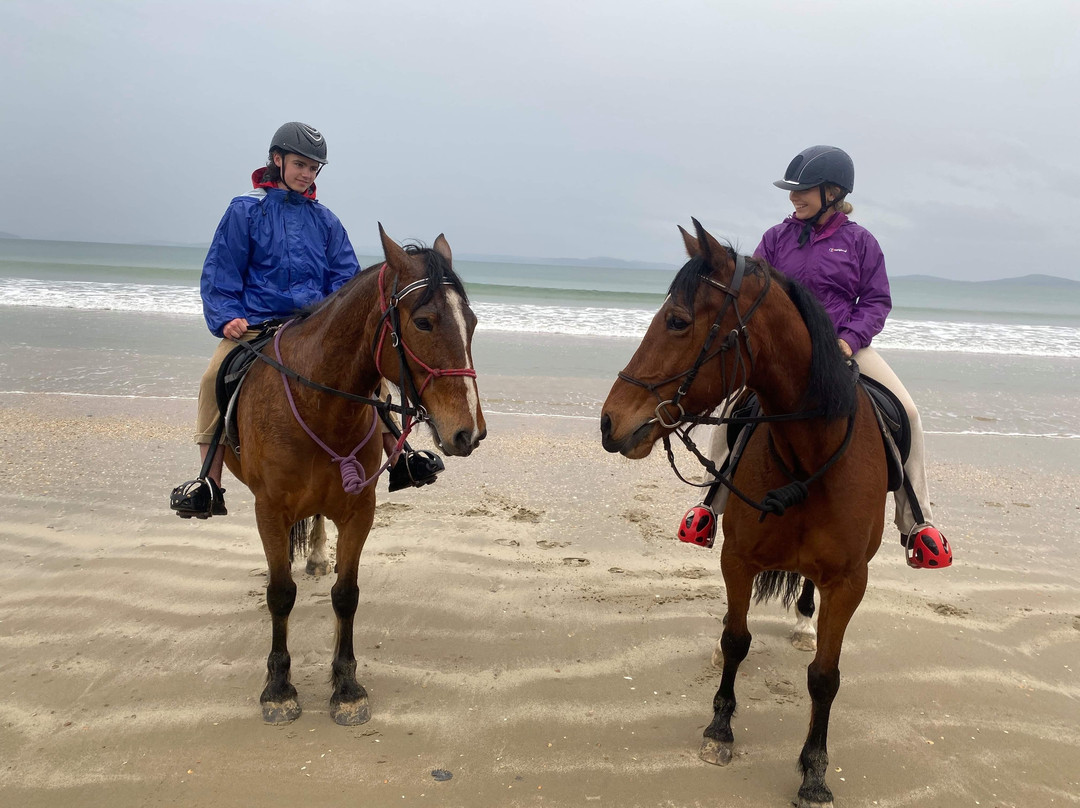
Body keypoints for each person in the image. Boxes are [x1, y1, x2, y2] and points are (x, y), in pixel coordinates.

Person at [679, 145, 952, 569]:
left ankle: (918, 523)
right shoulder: (776, 238)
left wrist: (848, 339)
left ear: (833, 191)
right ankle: (708, 506)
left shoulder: (860, 242)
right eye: (792, 191)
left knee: (910, 414)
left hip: (845, 346)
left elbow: (876, 301)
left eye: (803, 190)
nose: (794, 197)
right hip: (784, 355)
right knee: (734, 409)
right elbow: (754, 296)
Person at [170, 122, 442, 519]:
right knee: (214, 377)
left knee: (372, 379)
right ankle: (208, 482)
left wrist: (339, 322)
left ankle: (401, 458)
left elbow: (346, 281)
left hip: (316, 327)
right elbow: (221, 270)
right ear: (276, 160)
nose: (307, 174)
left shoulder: (326, 221)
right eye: (300, 164)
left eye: (314, 169)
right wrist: (226, 315)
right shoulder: (245, 210)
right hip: (257, 325)